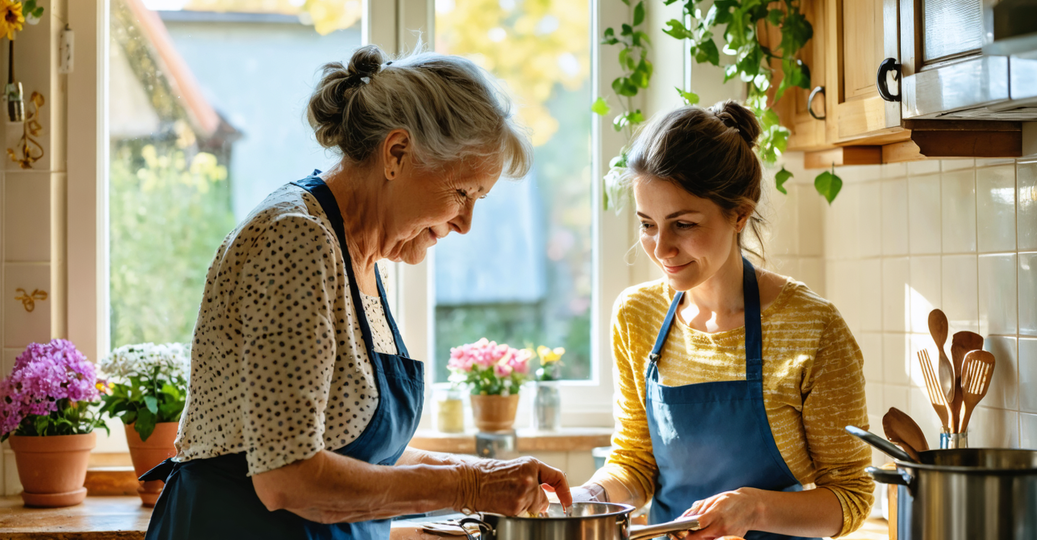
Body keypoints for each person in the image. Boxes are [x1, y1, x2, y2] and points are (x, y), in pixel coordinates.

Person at [142, 44, 572, 540]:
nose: (466, 223)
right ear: (396, 154)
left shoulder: (358, 257)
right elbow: (287, 477)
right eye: (462, 193)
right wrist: (469, 486)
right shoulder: (296, 239)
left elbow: (357, 448)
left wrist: (490, 475)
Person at [571, 101, 873, 540]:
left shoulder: (813, 328)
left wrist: (755, 510)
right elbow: (636, 462)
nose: (661, 249)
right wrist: (590, 497)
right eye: (647, 224)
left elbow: (851, 496)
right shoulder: (637, 316)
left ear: (739, 214)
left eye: (684, 224)